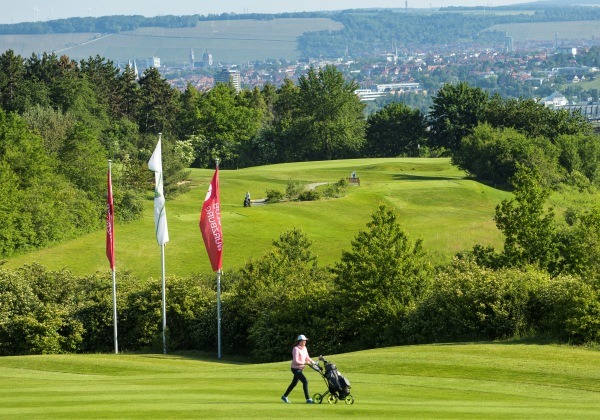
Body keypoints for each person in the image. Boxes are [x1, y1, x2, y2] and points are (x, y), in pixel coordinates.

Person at [281, 334, 315, 404]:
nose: (305, 342)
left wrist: (313, 362)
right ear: (299, 341)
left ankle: (284, 396)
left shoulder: (305, 348)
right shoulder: (296, 349)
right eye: (303, 341)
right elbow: (295, 361)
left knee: (294, 383)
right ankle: (308, 399)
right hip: (295, 369)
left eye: (305, 341)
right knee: (305, 381)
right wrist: (305, 363)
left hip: (300, 368)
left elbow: (307, 357)